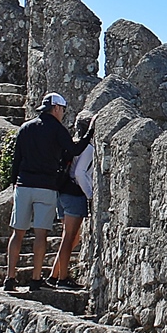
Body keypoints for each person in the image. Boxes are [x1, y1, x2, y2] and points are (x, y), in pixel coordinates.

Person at [9, 93, 76, 288]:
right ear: (56, 108)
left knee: (17, 233)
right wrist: (89, 133)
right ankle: (36, 279)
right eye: (63, 110)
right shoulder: (57, 129)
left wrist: (16, 184)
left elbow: (16, 161)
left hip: (23, 185)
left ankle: (10, 278)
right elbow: (73, 149)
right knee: (40, 234)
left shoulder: (25, 128)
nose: (63, 113)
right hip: (45, 187)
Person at [51, 112, 98, 286]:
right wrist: (91, 194)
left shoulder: (71, 143)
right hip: (74, 194)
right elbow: (79, 173)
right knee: (69, 237)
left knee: (71, 237)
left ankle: (54, 275)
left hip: (61, 193)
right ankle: (62, 279)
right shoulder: (88, 148)